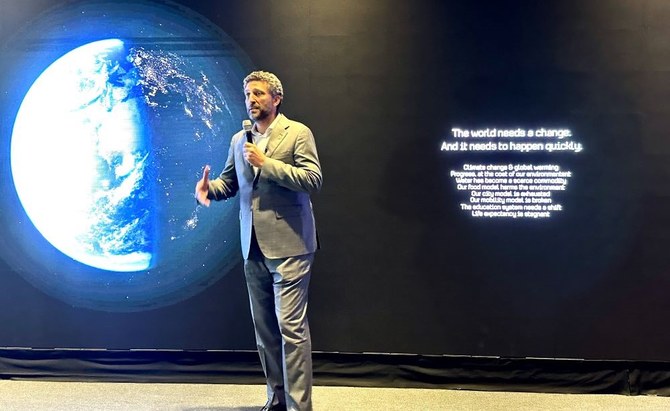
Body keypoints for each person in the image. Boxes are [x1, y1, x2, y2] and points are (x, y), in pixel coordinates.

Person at [195, 70, 322, 411]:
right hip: (251, 246)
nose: (251, 100)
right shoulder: (240, 139)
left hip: (291, 246)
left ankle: (299, 407)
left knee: (290, 329)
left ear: (276, 98)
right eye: (248, 94)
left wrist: (268, 163)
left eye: (258, 94)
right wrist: (208, 190)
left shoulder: (297, 133)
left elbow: (312, 179)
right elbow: (229, 183)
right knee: (265, 331)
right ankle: (276, 399)